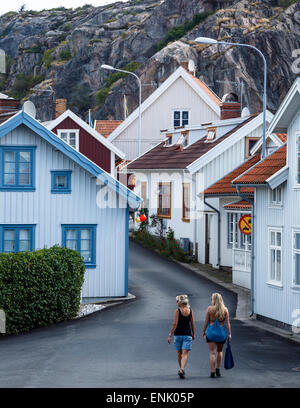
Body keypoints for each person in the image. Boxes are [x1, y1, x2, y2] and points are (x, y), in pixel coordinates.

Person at [202, 293, 232, 378]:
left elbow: (206, 321)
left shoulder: (209, 309)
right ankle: (218, 369)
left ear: (213, 300)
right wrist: (229, 333)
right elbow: (227, 323)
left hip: (211, 333)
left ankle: (212, 372)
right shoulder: (225, 310)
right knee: (219, 351)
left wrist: (204, 331)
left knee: (212, 353)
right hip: (221, 333)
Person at [168, 294, 195, 379]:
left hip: (178, 335)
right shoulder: (190, 311)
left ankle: (181, 369)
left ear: (179, 302)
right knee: (185, 354)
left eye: (177, 301)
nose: (176, 303)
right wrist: (193, 333)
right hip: (187, 334)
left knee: (179, 353)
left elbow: (174, 324)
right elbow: (192, 323)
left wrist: (170, 335)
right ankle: (182, 369)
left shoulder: (177, 311)